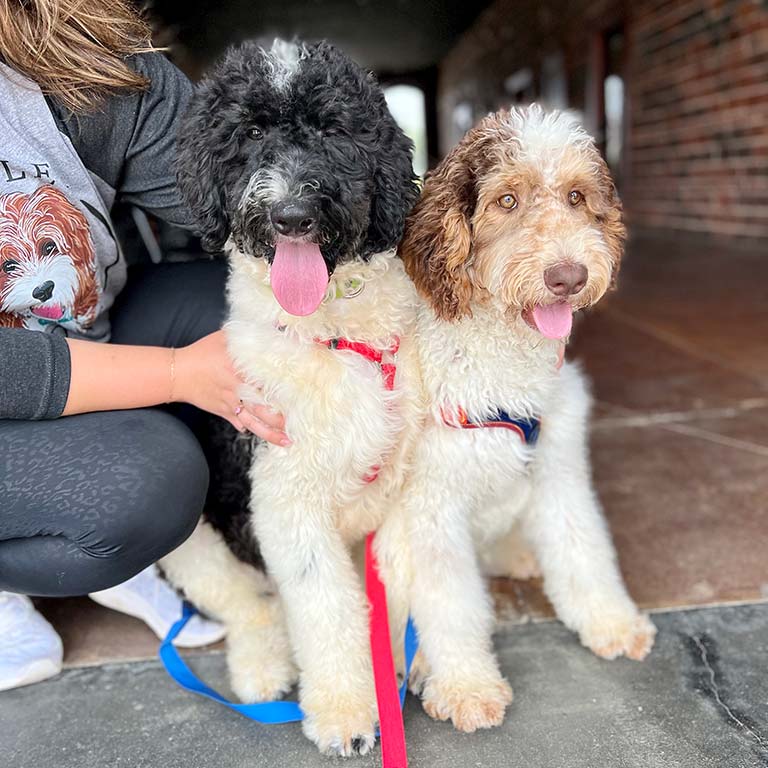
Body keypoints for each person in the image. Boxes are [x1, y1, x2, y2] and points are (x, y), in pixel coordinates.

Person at [0, 0, 286, 691]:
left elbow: (244, 191)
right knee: (148, 487)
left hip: (79, 332)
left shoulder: (68, 52)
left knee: (267, 311)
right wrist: (178, 373)